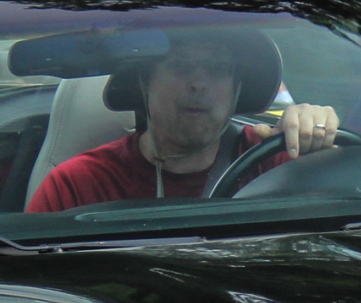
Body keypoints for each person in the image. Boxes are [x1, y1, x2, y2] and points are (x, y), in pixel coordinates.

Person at [29, 33, 339, 212]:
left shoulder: (279, 163)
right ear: (144, 83)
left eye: (218, 68)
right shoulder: (77, 186)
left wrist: (321, 146)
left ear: (237, 89)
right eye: (180, 66)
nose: (199, 83)